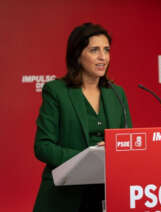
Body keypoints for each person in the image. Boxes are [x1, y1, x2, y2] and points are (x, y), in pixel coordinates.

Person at [33, 22, 132, 212]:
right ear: (78, 55)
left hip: (106, 196)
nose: (103, 57)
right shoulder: (56, 91)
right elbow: (43, 146)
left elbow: (126, 143)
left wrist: (116, 149)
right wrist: (90, 157)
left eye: (106, 50)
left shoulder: (117, 93)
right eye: (94, 50)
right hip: (64, 197)